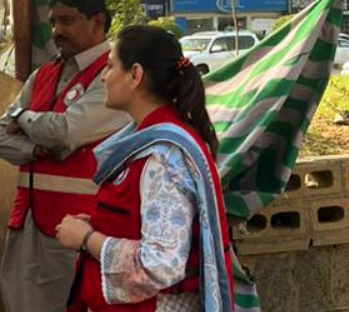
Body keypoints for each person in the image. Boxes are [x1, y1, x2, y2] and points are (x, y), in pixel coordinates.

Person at [54, 26, 234, 312]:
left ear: (135, 75)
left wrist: (87, 239)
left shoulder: (163, 157)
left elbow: (159, 265)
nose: (103, 76)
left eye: (111, 66)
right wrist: (99, 224)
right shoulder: (150, 141)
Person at [0, 0, 129, 312]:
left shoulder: (112, 74)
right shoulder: (43, 75)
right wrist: (38, 150)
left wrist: (22, 117)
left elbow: (67, 131)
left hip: (81, 223)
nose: (57, 31)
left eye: (67, 21)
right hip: (27, 219)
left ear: (97, 22)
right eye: (53, 22)